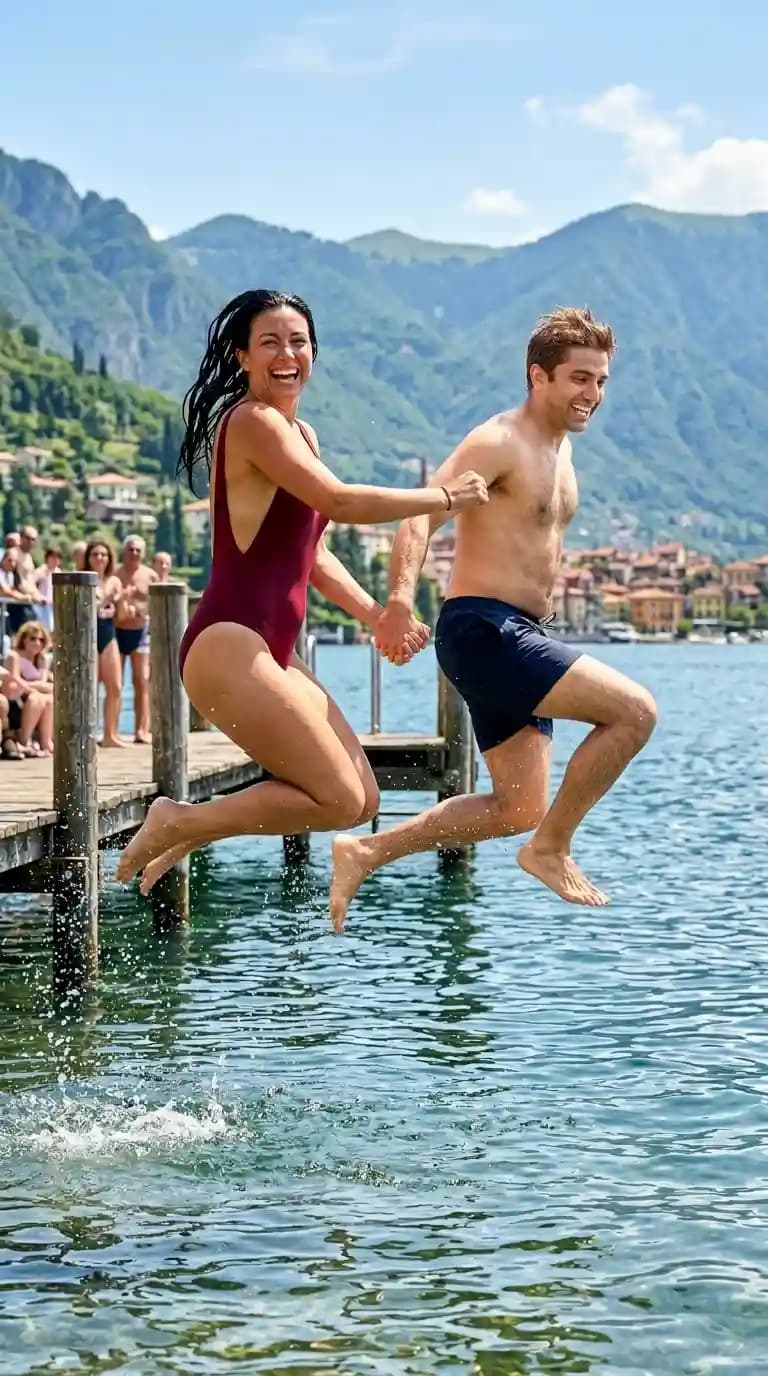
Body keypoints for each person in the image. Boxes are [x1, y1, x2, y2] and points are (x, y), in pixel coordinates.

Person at [116, 288, 487, 890]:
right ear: (241, 357)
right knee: (337, 799)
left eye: (298, 342)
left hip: (271, 650)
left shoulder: (301, 435)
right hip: (229, 642)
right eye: (270, 342)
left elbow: (311, 552)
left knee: (361, 800)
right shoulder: (251, 422)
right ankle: (178, 819)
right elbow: (338, 500)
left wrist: (373, 613)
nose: (287, 354)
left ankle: (186, 826)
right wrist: (445, 497)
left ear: (314, 352)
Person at [330, 306, 659, 928]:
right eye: (580, 379)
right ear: (539, 376)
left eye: (601, 381)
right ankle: (552, 850)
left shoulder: (560, 454)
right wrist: (400, 600)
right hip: (484, 629)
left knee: (517, 808)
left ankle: (367, 850)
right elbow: (421, 514)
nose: (593, 394)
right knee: (634, 712)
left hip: (523, 635)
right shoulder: (499, 441)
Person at [114, 534, 157, 743]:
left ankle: (142, 730)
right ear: (124, 551)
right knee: (116, 683)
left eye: (138, 550)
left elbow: (155, 605)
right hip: (118, 630)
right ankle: (112, 730)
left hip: (140, 632)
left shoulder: (150, 576)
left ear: (143, 553)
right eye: (130, 549)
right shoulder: (116, 573)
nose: (134, 553)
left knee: (141, 681)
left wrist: (139, 608)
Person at [84, 538, 126, 748]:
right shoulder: (84, 579)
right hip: (87, 636)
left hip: (108, 632)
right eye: (95, 554)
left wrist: (120, 601)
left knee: (116, 686)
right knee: (89, 688)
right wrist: (106, 599)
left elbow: (121, 614)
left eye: (103, 555)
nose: (100, 558)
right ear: (88, 558)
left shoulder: (114, 581)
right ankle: (90, 734)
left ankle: (110, 734)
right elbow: (85, 610)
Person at [4, 621, 53, 755]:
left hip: (31, 694)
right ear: (23, 639)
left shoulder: (42, 659)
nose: (37, 643)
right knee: (36, 698)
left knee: (48, 699)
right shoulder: (14, 656)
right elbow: (13, 680)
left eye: (41, 639)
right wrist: (35, 687)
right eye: (33, 638)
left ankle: (46, 742)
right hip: (16, 698)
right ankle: (24, 740)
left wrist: (34, 687)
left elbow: (43, 683)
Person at [33, 547, 62, 631]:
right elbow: (31, 584)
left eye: (58, 557)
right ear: (47, 558)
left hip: (54, 605)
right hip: (42, 605)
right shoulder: (41, 570)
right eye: (53, 557)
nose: (55, 560)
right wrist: (38, 596)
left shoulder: (59, 572)